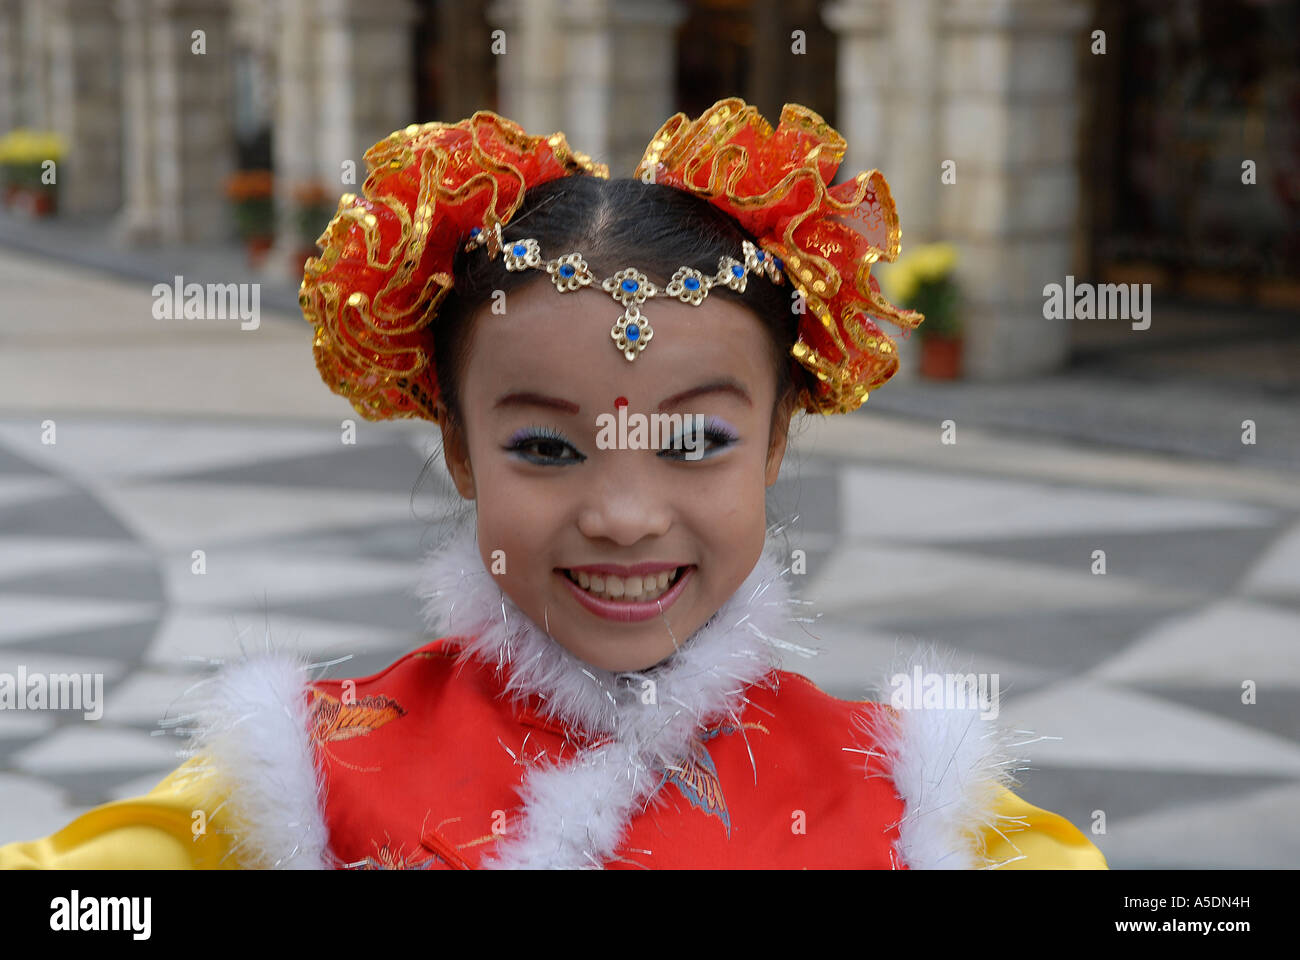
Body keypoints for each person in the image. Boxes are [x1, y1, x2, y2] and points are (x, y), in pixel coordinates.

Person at [0, 98, 1105, 869]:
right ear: (460, 449)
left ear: (775, 446)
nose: (622, 515)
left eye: (695, 442)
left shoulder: (912, 808)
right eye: (545, 450)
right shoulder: (303, 781)